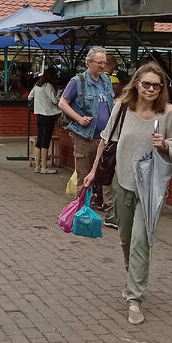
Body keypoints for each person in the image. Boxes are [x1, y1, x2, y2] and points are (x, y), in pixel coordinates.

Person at [82, 63, 172, 325]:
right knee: (126, 239)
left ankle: (134, 298)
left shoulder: (167, 113)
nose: (150, 89)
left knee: (140, 240)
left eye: (156, 85)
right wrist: (93, 172)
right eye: (146, 83)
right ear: (136, 83)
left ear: (162, 89)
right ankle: (133, 279)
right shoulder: (122, 108)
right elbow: (106, 140)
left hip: (151, 189)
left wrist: (165, 144)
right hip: (122, 183)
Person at [59, 47, 116, 224]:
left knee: (107, 173)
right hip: (85, 135)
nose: (103, 66)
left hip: (105, 136)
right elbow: (62, 102)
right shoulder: (78, 81)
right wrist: (79, 118)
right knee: (84, 174)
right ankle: (82, 211)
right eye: (100, 62)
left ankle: (111, 212)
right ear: (89, 63)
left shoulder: (106, 80)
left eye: (105, 63)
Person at [28, 68, 60, 175]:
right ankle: (44, 167)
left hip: (39, 115)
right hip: (48, 115)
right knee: (45, 141)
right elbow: (54, 100)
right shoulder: (48, 86)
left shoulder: (37, 85)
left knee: (39, 140)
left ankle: (37, 166)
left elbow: (29, 97)